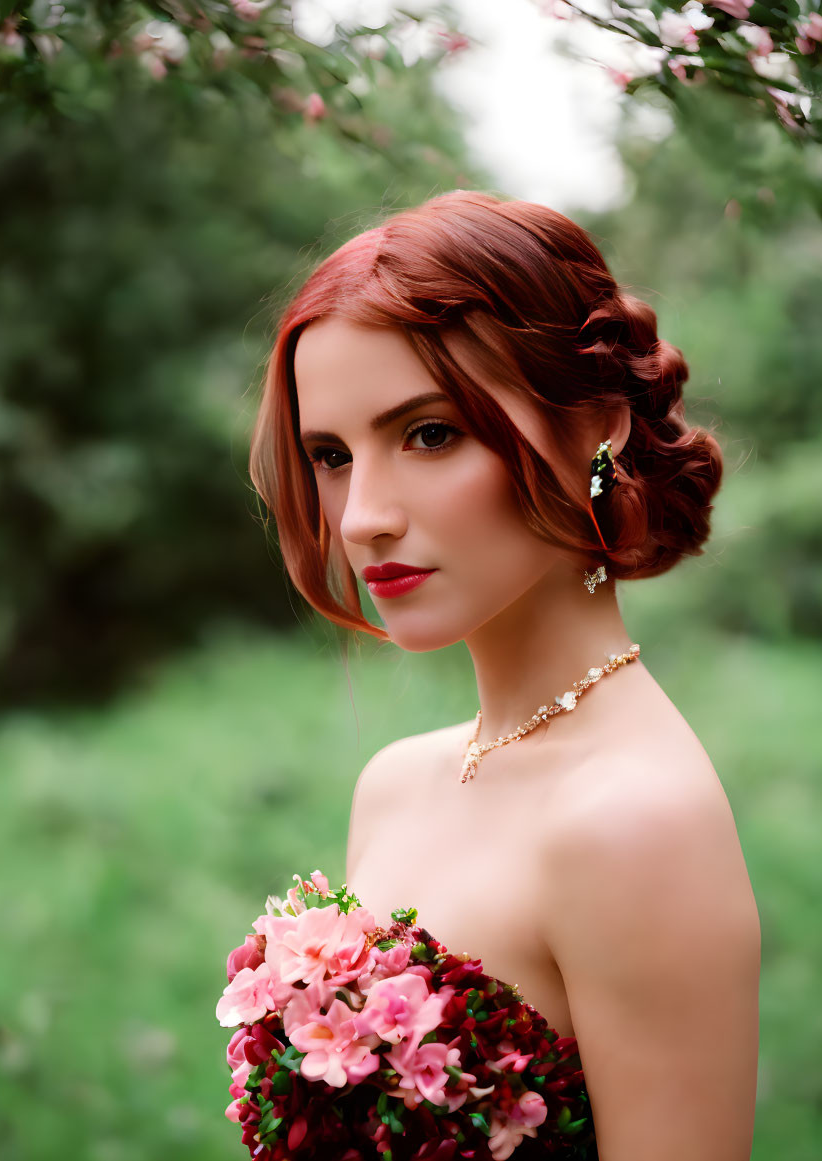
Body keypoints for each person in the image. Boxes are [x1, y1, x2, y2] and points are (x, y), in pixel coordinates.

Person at [248, 189, 761, 1160]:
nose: (362, 518)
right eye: (332, 455)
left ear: (597, 427)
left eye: (429, 433)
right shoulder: (395, 781)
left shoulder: (633, 821)